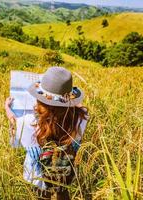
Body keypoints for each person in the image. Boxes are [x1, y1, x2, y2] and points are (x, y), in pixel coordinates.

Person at [5, 67, 88, 200]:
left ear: (40, 101)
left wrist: (7, 108)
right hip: (66, 170)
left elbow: (14, 125)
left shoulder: (28, 122)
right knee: (63, 192)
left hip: (38, 176)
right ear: (70, 98)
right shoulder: (80, 119)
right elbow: (81, 107)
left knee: (42, 196)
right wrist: (67, 102)